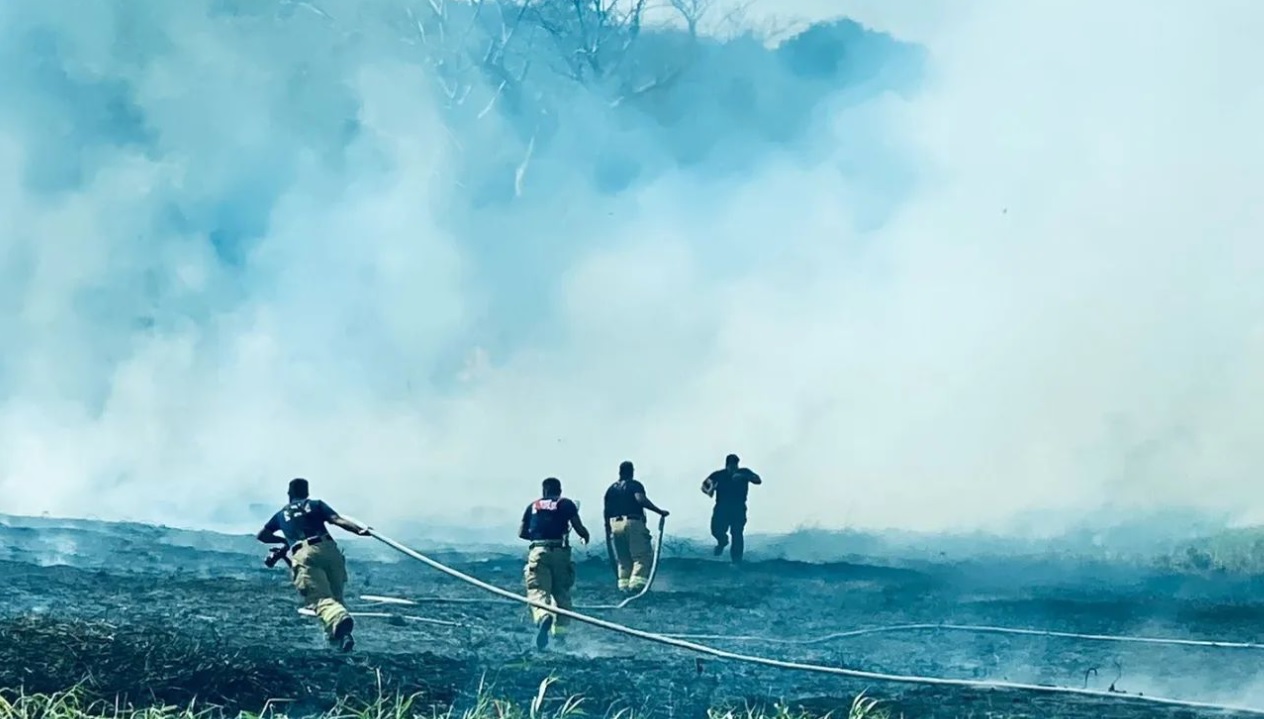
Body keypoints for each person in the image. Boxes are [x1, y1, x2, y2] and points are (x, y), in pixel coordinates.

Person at [256, 477, 371, 652]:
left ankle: (341, 625)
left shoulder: (281, 514)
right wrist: (359, 530)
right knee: (336, 598)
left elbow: (262, 535)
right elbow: (337, 520)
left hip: (305, 552)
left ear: (290, 493)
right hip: (330, 550)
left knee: (320, 599)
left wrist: (284, 540)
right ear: (306, 492)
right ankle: (338, 640)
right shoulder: (316, 505)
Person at [518, 477, 590, 650]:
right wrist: (585, 536)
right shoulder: (566, 504)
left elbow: (521, 532)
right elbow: (579, 528)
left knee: (538, 590)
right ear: (560, 491)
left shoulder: (533, 506)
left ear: (544, 491)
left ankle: (543, 616)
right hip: (560, 551)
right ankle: (560, 633)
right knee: (562, 592)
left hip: (539, 551)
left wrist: (538, 536)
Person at [602, 460, 669, 593]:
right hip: (633, 523)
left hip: (615, 525)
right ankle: (637, 587)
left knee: (623, 559)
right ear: (632, 472)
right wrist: (659, 511)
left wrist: (608, 528)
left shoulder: (611, 489)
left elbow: (606, 510)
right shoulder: (634, 485)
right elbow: (640, 499)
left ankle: (623, 587)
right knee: (641, 556)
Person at [701, 453, 761, 563]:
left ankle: (736, 561)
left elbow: (758, 480)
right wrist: (710, 490)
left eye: (735, 466)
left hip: (738, 509)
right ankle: (722, 541)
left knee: (737, 533)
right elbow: (704, 486)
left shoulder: (744, 472)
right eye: (731, 466)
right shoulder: (718, 475)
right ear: (727, 465)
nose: (734, 468)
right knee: (716, 530)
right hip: (721, 509)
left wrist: (744, 477)